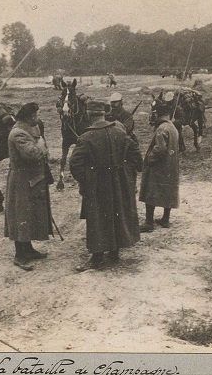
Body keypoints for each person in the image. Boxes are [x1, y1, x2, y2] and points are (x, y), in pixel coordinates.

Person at [70, 99, 143, 272]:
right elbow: (136, 155)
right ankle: (114, 252)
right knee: (117, 212)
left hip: (98, 184)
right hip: (119, 181)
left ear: (88, 115)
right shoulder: (119, 130)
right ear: (104, 113)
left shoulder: (86, 137)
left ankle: (97, 259)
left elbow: (75, 165)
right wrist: (127, 172)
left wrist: (87, 180)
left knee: (97, 217)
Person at [5, 102, 52, 271]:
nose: (38, 118)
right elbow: (33, 154)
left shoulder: (28, 130)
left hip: (31, 179)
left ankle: (28, 249)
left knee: (29, 214)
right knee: (20, 215)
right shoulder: (18, 134)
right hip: (21, 181)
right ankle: (19, 255)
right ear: (31, 117)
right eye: (36, 115)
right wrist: (41, 146)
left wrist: (41, 145)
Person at [138, 98, 180, 232]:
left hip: (159, 167)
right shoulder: (172, 127)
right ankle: (165, 219)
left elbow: (160, 148)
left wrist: (150, 159)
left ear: (159, 114)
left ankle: (149, 223)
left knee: (150, 191)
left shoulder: (162, 128)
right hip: (171, 166)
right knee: (168, 191)